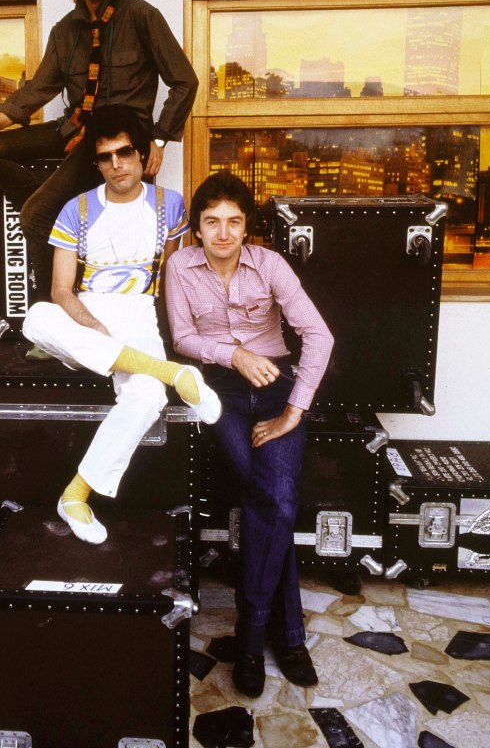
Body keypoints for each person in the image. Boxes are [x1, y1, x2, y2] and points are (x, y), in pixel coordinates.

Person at [0, 0, 198, 303]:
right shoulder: (64, 30)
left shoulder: (142, 17)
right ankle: (60, 203)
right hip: (72, 128)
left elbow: (185, 80)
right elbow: (39, 88)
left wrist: (158, 139)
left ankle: (46, 314)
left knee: (35, 216)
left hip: (109, 143)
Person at [165, 172, 333, 697]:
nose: (222, 233)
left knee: (275, 500)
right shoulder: (179, 266)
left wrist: (294, 412)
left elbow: (319, 335)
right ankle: (289, 636)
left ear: (247, 226)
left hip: (276, 386)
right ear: (196, 228)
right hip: (221, 390)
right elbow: (183, 337)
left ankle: (254, 632)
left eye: (233, 222)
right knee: (273, 501)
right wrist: (234, 354)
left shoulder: (271, 264)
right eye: (211, 222)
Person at [21, 105, 221, 544]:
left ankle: (75, 494)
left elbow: (175, 275)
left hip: (139, 312)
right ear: (96, 162)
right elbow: (60, 291)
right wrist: (93, 328)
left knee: (148, 395)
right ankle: (175, 376)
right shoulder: (76, 209)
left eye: (125, 152)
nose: (116, 165)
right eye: (105, 156)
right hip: (85, 319)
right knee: (35, 319)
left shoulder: (170, 206)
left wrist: (187, 335)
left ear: (143, 153)